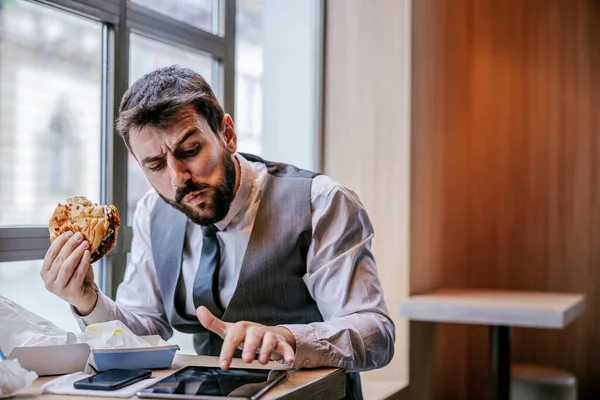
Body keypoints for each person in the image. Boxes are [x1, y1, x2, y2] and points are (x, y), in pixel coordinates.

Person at [41, 65, 395, 399]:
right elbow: (145, 328)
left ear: (227, 134)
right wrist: (88, 300)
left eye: (190, 151)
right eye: (156, 164)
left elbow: (376, 332)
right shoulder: (153, 212)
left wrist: (288, 337)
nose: (178, 178)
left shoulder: (321, 202)